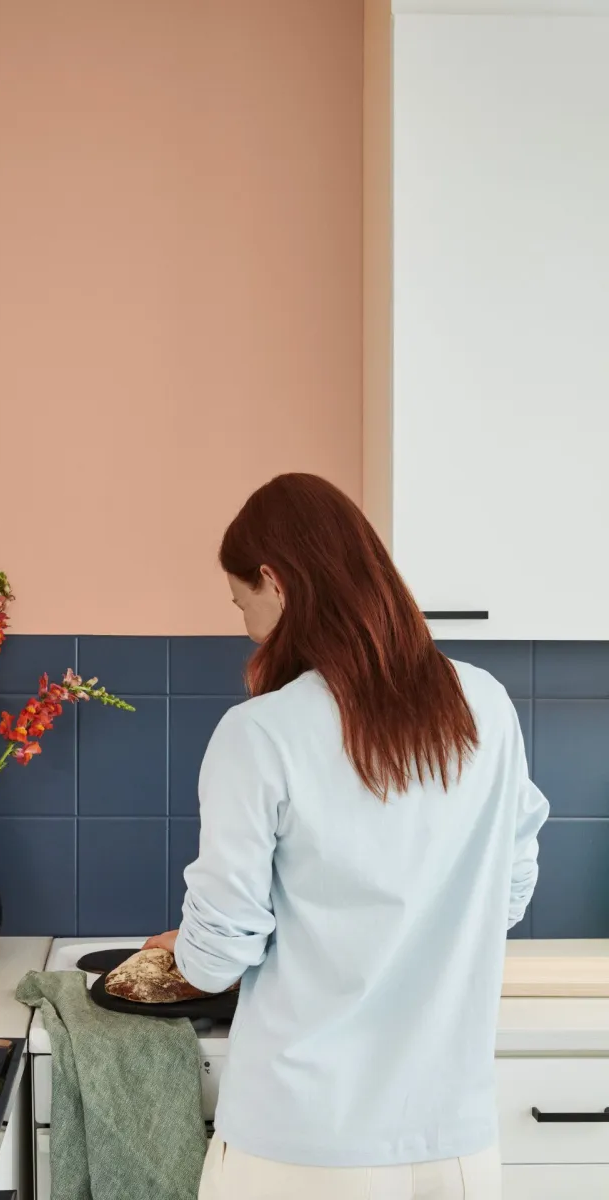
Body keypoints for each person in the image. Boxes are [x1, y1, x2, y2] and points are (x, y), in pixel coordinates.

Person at [144, 473, 548, 1200]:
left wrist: (190, 945)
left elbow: (215, 962)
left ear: (275, 580)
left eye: (242, 604)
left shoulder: (260, 733)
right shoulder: (485, 703)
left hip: (299, 1148)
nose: (245, 625)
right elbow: (508, 893)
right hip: (455, 1148)